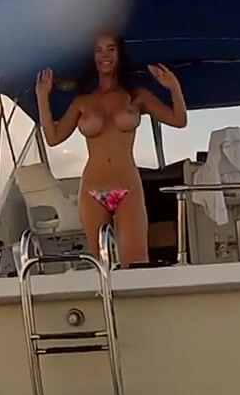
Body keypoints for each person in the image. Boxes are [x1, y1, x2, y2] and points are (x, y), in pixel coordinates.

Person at [35, 32, 187, 267]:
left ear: (119, 54)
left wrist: (173, 87)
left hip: (128, 188)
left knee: (136, 263)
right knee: (101, 266)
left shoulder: (137, 96)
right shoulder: (82, 102)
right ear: (93, 58)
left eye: (110, 49)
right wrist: (42, 97)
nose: (104, 55)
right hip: (92, 190)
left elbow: (179, 120)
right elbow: (53, 138)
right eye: (98, 50)